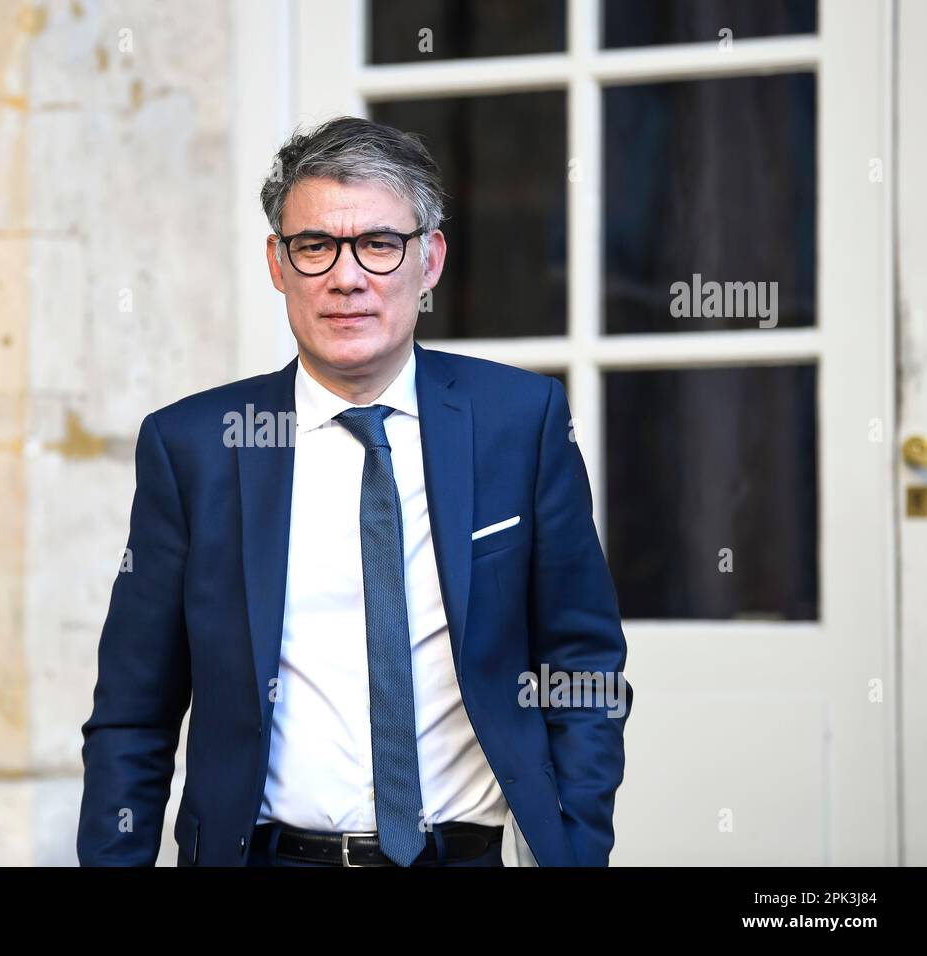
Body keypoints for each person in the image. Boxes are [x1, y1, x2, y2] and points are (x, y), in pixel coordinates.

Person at [77, 116, 632, 867]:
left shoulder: (520, 422)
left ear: (429, 259)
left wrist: (579, 840)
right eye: (315, 247)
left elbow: (582, 660)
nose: (346, 277)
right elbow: (133, 714)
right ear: (278, 264)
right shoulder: (197, 447)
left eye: (379, 243)